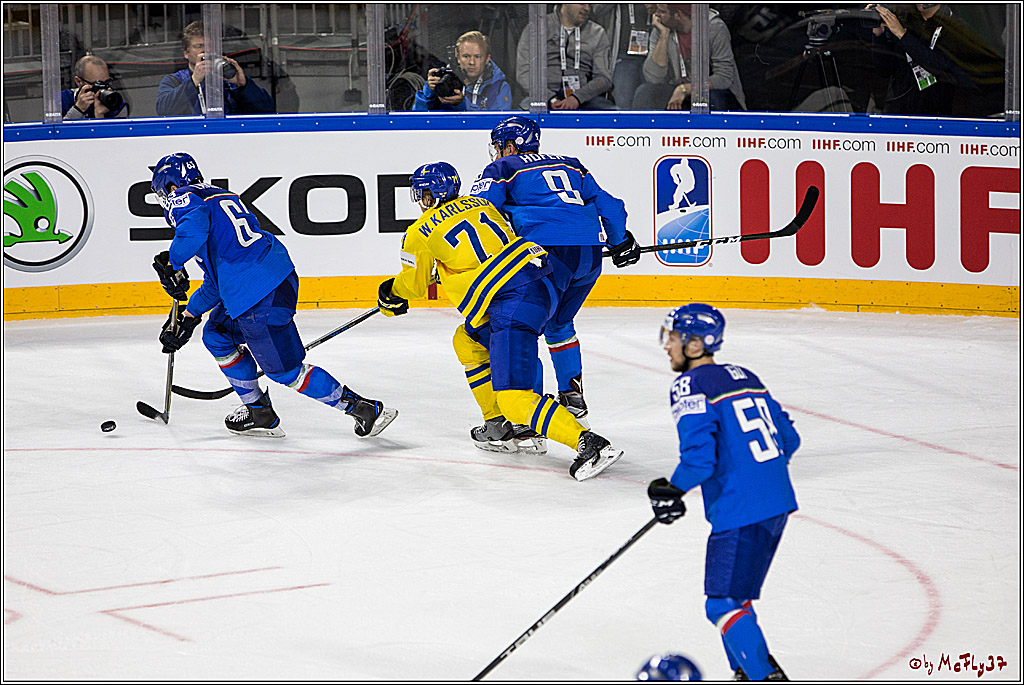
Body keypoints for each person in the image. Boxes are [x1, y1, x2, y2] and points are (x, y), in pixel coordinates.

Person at [377, 161, 624, 481]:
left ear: (432, 195)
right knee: (465, 341)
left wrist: (389, 293)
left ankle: (588, 444)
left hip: (512, 302)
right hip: (539, 282)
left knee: (514, 397)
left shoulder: (421, 231)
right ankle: (498, 428)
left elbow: (414, 285)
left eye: (422, 194)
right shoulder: (481, 204)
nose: (420, 201)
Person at [149, 152, 396, 439]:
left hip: (257, 294)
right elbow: (218, 280)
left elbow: (192, 230)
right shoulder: (219, 196)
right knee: (216, 334)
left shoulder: (183, 198)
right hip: (266, 280)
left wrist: (173, 262)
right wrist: (188, 317)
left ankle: (364, 409)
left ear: (169, 187)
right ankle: (259, 412)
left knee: (286, 373)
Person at [646, 303, 798, 681]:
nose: (668, 346)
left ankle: (763, 676)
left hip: (739, 507)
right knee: (738, 597)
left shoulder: (689, 385)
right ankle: (746, 672)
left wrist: (671, 489)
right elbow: (790, 438)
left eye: (675, 338)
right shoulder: (746, 375)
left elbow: (700, 461)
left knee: (722, 604)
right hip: (776, 501)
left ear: (695, 345)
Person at [470, 116, 640, 424]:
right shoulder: (572, 164)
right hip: (588, 256)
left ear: (510, 146)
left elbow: (479, 213)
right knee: (560, 325)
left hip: (544, 257)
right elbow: (613, 207)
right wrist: (620, 242)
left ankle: (531, 410)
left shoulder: (503, 168)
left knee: (524, 328)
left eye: (498, 147)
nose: (496, 153)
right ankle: (572, 397)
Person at [865, 3, 1000, 117]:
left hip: (936, 116)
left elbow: (943, 68)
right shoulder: (906, 21)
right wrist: (879, 36)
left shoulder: (955, 26)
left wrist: (903, 35)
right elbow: (884, 70)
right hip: (899, 111)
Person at [633, 4, 746, 111]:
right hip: (676, 88)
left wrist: (684, 89)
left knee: (716, 100)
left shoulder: (714, 27)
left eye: (662, 11)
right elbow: (653, 78)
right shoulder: (661, 28)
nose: (656, 15)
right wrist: (664, 35)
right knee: (645, 92)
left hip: (710, 90)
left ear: (678, 15)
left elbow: (724, 77)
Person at [156, 20, 275, 116]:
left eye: (210, 46)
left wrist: (243, 85)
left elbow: (268, 109)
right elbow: (164, 110)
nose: (205, 51)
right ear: (186, 53)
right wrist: (194, 81)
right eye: (199, 46)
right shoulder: (175, 81)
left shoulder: (228, 79)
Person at [516, 4, 616, 110]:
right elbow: (524, 73)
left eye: (589, 5)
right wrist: (550, 98)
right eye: (582, 3)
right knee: (522, 120)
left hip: (584, 97)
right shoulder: (537, 27)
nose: (587, 8)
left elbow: (604, 78)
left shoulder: (597, 33)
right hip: (543, 96)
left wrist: (577, 98)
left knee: (615, 115)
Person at [413, 31, 512, 112]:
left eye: (477, 57)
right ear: (458, 57)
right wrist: (428, 92)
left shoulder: (499, 87)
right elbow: (416, 121)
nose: (471, 62)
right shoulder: (445, 79)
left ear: (487, 59)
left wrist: (462, 105)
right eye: (466, 56)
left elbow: (495, 124)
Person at [61, 56, 128, 120]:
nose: (103, 89)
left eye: (106, 83)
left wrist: (100, 115)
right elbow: (58, 130)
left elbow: (115, 132)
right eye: (98, 84)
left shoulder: (116, 105)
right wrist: (78, 109)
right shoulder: (62, 101)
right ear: (79, 81)